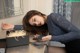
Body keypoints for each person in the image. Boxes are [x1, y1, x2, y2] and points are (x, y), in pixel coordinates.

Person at [1, 10, 80, 53]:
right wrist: (13, 26)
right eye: (34, 24)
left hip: (77, 46)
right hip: (69, 47)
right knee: (45, 49)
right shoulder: (45, 24)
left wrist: (52, 38)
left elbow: (77, 33)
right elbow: (29, 29)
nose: (36, 23)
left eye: (34, 19)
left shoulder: (53, 17)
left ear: (38, 13)